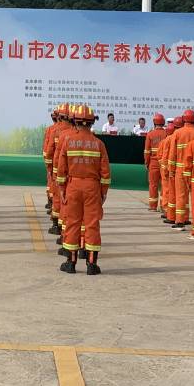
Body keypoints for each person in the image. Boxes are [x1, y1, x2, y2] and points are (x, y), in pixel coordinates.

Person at [55, 104, 110, 274]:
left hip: (73, 186)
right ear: (92, 122)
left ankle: (70, 263)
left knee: (72, 223)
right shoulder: (99, 144)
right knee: (92, 224)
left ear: (76, 121)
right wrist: (102, 194)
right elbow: (105, 174)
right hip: (92, 187)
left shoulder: (68, 141)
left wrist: (63, 190)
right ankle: (92, 265)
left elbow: (61, 170)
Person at [142, 114, 168, 212]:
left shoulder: (150, 134)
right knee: (164, 185)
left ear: (154, 123)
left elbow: (147, 151)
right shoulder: (166, 134)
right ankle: (163, 206)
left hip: (153, 162)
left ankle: (153, 206)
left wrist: (146, 162)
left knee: (153, 184)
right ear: (163, 122)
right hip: (164, 162)